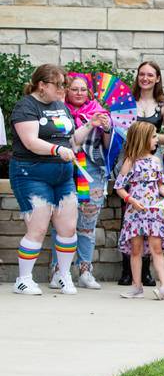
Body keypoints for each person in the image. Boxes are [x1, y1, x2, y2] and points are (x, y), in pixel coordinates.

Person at [11, 64, 95, 295]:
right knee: (37, 228)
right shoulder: (26, 107)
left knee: (68, 228)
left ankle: (62, 275)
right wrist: (56, 151)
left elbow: (72, 140)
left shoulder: (60, 106)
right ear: (42, 85)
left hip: (63, 176)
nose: (63, 90)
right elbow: (30, 142)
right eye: (59, 85)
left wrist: (90, 124)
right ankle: (23, 279)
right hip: (32, 173)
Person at [47, 73, 112, 291]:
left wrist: (107, 128)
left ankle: (85, 271)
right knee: (61, 222)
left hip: (92, 172)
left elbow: (109, 146)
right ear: (66, 91)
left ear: (89, 92)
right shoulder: (58, 111)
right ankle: (58, 272)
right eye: (74, 89)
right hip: (64, 170)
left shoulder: (99, 111)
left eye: (83, 89)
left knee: (87, 224)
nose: (79, 93)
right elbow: (71, 144)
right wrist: (89, 124)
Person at [118, 60, 164, 287]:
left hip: (153, 160)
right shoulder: (127, 102)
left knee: (151, 217)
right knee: (130, 214)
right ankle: (128, 270)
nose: (145, 78)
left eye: (150, 75)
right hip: (130, 157)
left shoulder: (163, 104)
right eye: (142, 74)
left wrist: (147, 138)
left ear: (157, 78)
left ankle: (146, 272)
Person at [114, 121, 164, 300]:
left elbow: (161, 185)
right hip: (135, 213)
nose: (157, 139)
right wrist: (130, 200)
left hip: (153, 212)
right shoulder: (130, 162)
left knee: (156, 248)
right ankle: (136, 286)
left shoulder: (156, 161)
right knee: (136, 249)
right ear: (143, 139)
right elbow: (119, 187)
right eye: (154, 136)